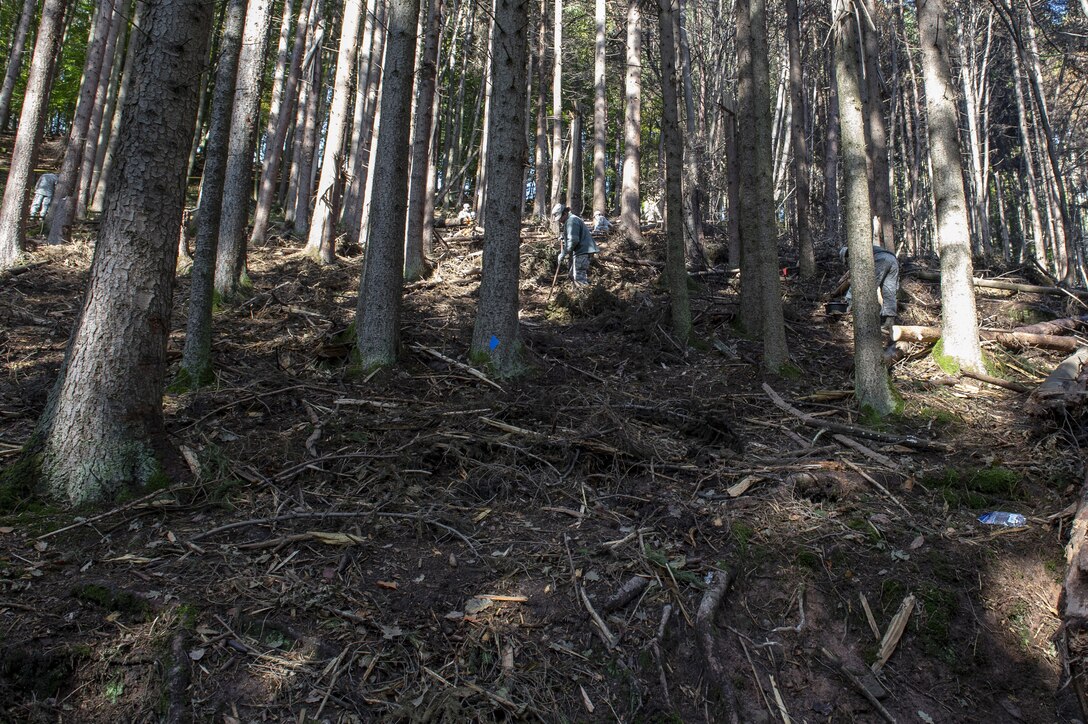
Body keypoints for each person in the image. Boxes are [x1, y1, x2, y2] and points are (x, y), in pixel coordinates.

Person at [841, 244, 900, 330]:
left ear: (846, 255)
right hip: (892, 259)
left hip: (880, 259)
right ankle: (889, 321)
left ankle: (866, 318)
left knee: (868, 288)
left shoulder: (855, 252)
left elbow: (859, 283)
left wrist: (848, 299)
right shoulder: (860, 247)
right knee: (889, 291)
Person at [552, 203, 599, 286]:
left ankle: (585, 296)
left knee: (579, 278)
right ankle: (581, 294)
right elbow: (573, 234)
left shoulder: (571, 221)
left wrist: (563, 254)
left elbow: (573, 241)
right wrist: (564, 236)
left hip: (582, 251)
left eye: (560, 218)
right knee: (572, 275)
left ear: (565, 213)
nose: (560, 220)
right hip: (582, 251)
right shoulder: (571, 220)